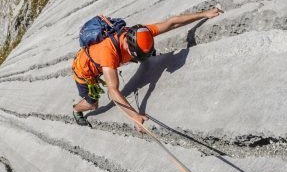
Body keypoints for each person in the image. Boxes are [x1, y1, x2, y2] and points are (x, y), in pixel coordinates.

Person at [72, 8, 223, 132]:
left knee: (148, 55)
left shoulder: (139, 33)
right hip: (85, 72)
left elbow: (172, 23)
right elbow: (113, 91)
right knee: (93, 103)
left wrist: (204, 14)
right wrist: (135, 116)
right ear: (129, 47)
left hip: (108, 58)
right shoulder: (108, 52)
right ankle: (76, 110)